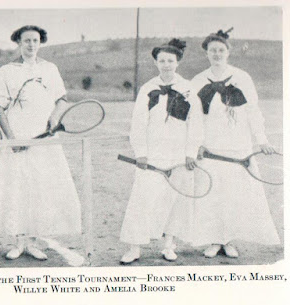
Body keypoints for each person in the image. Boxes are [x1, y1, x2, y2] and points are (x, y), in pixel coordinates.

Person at [0, 25, 81, 260]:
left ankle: (31, 242)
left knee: (41, 188)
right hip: (18, 136)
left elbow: (62, 99)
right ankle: (18, 242)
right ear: (18, 43)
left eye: (35, 40)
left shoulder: (50, 69)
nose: (31, 44)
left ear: (41, 42)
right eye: (26, 40)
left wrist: (54, 119)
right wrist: (12, 138)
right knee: (17, 187)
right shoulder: (6, 71)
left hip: (45, 138)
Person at [191, 29, 280, 258]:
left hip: (238, 146)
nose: (217, 54)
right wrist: (197, 144)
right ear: (207, 54)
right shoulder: (198, 80)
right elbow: (196, 117)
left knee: (234, 195)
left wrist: (261, 141)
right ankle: (214, 240)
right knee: (212, 194)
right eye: (212, 51)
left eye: (221, 50)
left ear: (228, 52)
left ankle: (229, 240)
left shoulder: (242, 77)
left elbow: (252, 111)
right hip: (211, 147)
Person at [119, 39, 203, 264]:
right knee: (142, 200)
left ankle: (168, 245)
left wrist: (191, 153)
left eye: (171, 61)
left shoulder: (188, 88)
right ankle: (134, 248)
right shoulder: (147, 88)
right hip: (153, 155)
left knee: (174, 201)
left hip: (178, 156)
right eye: (162, 60)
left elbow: (195, 123)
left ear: (177, 62)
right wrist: (141, 153)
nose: (166, 64)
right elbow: (138, 124)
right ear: (156, 62)